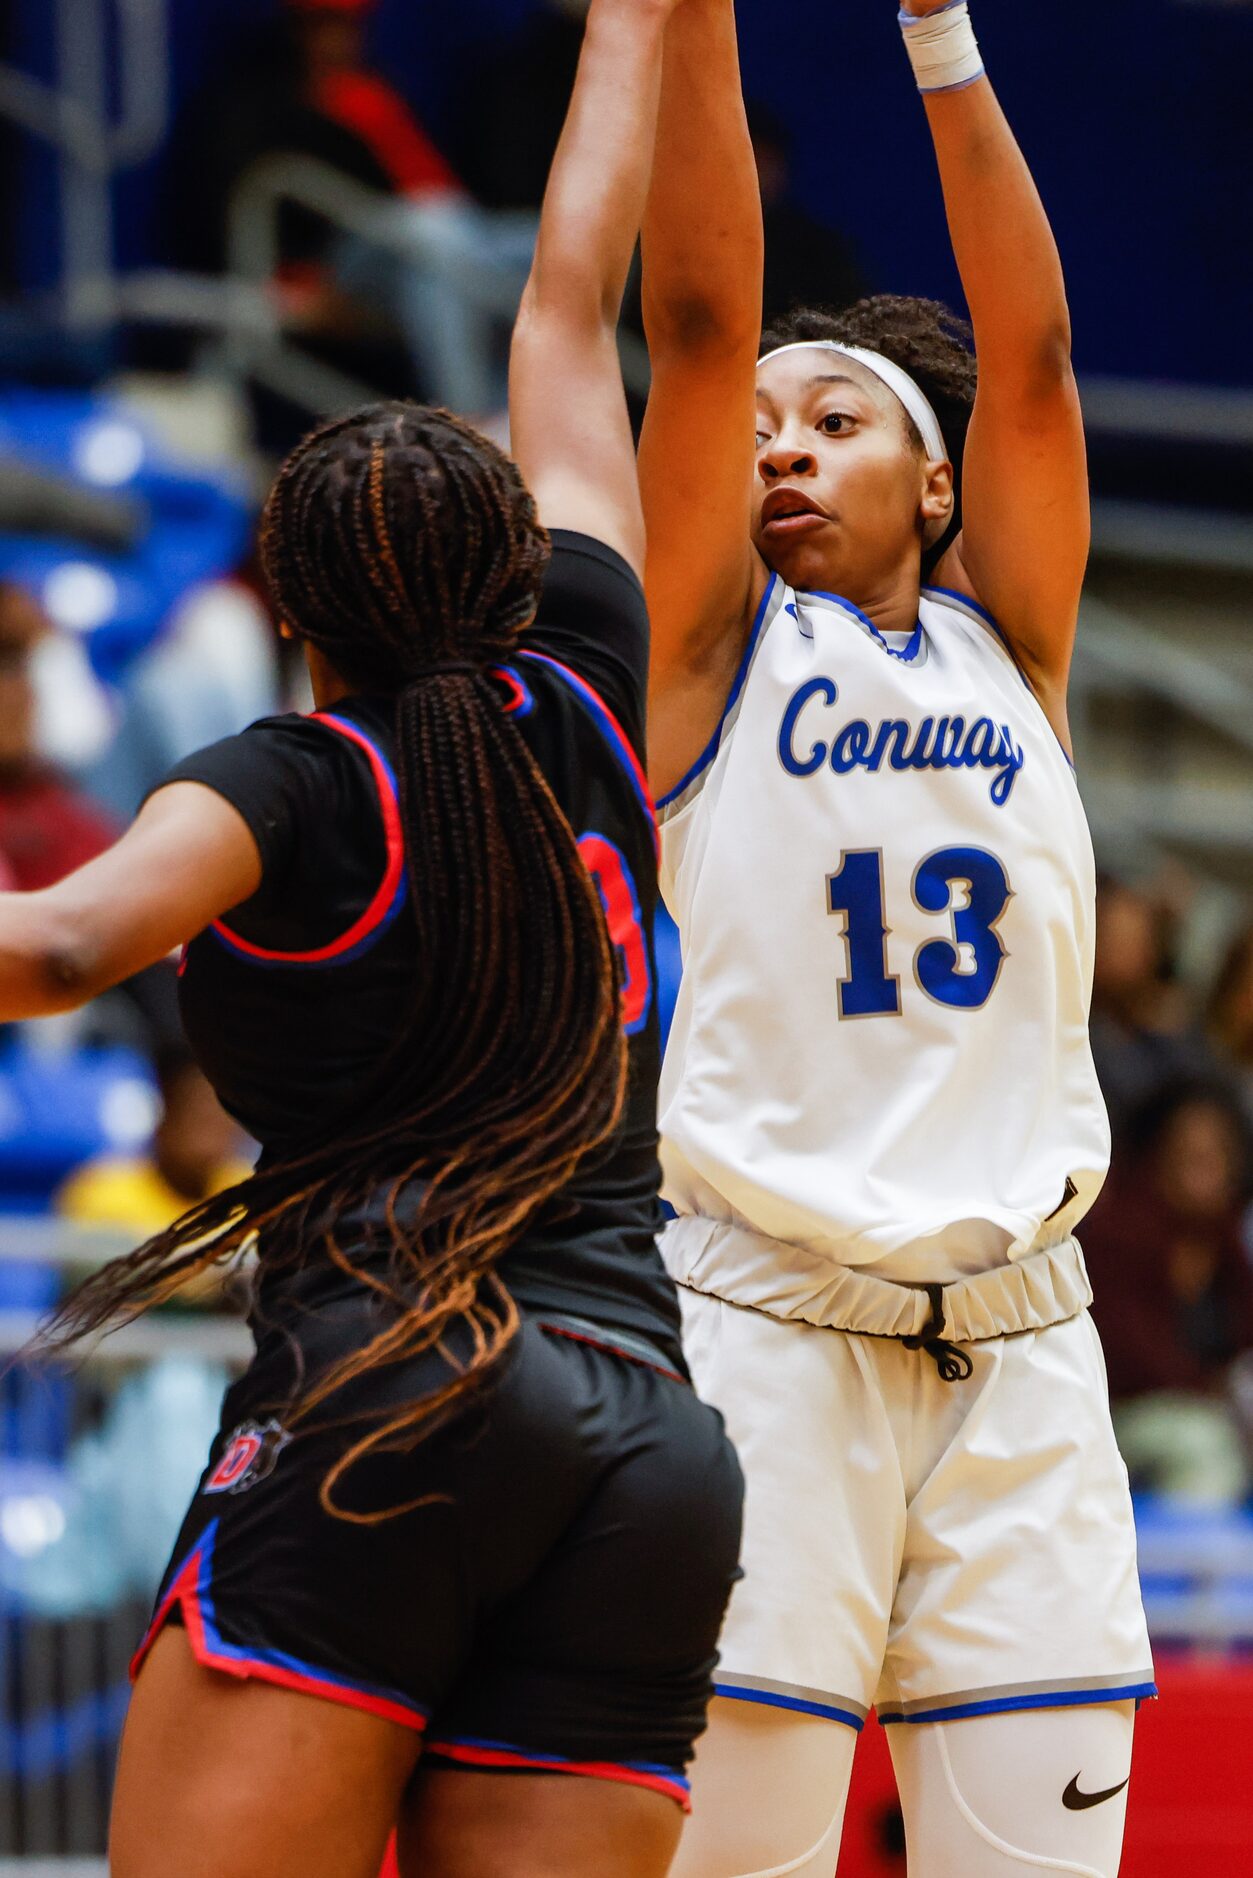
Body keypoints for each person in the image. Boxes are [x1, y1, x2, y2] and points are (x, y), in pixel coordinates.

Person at [7, 0, 742, 1868]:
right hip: (649, 1440)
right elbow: (571, 302)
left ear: (289, 605)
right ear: (515, 572)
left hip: (392, 1386)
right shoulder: (583, 681)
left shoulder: (293, 783)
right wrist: (642, 24)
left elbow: (58, 945)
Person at [637, 3, 1151, 1873]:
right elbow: (693, 325)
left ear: (937, 483)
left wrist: (934, 30)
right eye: (758, 430)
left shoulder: (1012, 637)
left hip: (1025, 1346)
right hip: (766, 1332)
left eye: (834, 420)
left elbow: (1030, 352)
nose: (777, 447)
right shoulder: (701, 658)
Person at [1086, 1078, 1253, 1505]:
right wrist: (1219, 1400)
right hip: (1119, 1418)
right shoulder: (1116, 1234)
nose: (1205, 1166)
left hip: (1217, 1413)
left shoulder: (1228, 1242)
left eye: (1216, 1154)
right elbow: (1131, 1364)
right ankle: (1188, 1571)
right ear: (1156, 1155)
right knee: (1202, 1447)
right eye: (1189, 1153)